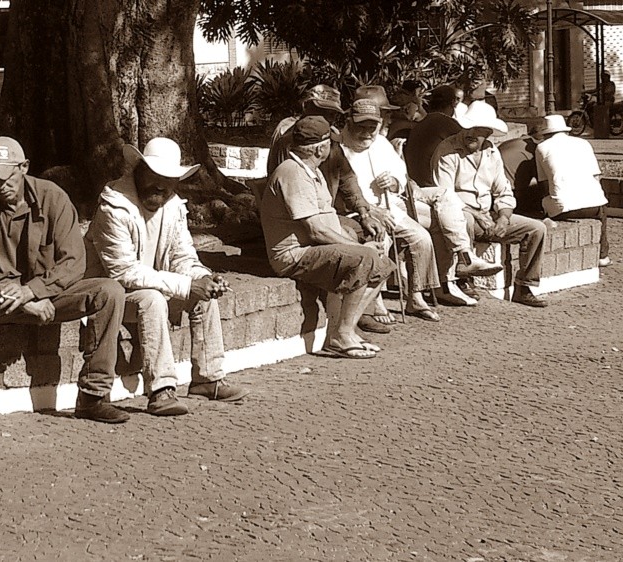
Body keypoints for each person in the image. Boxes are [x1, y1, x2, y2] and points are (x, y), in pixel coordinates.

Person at [0, 137, 130, 434]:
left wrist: (33, 290)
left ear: (24, 167)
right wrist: (24, 300)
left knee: (109, 292)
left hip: (48, 297)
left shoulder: (54, 198)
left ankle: (93, 394)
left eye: (6, 177)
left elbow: (73, 262)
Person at [85, 138, 249, 417]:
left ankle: (208, 378)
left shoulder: (173, 205)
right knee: (153, 299)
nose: (160, 185)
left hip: (150, 287)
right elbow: (123, 271)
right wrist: (187, 285)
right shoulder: (113, 204)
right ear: (138, 170)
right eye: (154, 176)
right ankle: (160, 390)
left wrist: (203, 278)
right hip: (109, 297)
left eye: (168, 179)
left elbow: (183, 256)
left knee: (203, 294)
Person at [340, 98, 500, 316]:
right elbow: (343, 194)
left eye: (372, 127)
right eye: (362, 127)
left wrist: (394, 181)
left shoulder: (380, 144)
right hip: (361, 212)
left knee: (422, 236)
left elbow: (400, 177)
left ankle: (417, 295)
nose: (368, 133)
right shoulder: (339, 148)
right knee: (382, 240)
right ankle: (375, 302)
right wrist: (372, 210)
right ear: (349, 122)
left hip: (392, 205)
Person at [261, 115, 396, 358]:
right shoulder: (292, 173)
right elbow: (315, 230)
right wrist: (357, 246)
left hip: (313, 248)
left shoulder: (311, 171)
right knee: (364, 258)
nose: (332, 148)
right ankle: (340, 337)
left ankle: (347, 330)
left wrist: (360, 244)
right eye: (329, 144)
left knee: (383, 265)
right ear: (320, 148)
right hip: (294, 254)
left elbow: (327, 220)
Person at [432, 101, 549, 307]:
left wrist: (503, 217)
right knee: (463, 218)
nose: (470, 133)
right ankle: (463, 277)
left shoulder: (492, 153)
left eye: (478, 130)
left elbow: (503, 191)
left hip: (488, 215)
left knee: (536, 229)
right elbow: (444, 195)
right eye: (468, 128)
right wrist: (476, 214)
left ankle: (524, 286)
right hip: (461, 215)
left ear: (488, 133)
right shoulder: (447, 150)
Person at [535, 114, 611, 266]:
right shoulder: (584, 144)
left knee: (546, 202)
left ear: (546, 134)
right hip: (594, 206)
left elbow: (544, 184)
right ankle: (603, 255)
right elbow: (596, 176)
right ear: (566, 131)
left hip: (564, 208)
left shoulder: (541, 148)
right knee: (601, 204)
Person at [498, 118, 548, 218]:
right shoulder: (534, 150)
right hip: (509, 195)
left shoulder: (514, 142)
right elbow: (543, 183)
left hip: (494, 191)